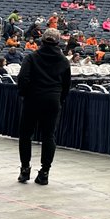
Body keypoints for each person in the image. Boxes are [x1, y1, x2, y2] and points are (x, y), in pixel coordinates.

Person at [16, 28, 72, 185]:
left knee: (26, 135)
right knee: (49, 136)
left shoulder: (32, 57)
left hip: (32, 99)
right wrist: (59, 100)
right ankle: (44, 172)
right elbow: (67, 85)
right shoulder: (63, 61)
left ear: (42, 40)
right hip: (52, 100)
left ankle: (25, 169)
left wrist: (24, 94)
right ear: (58, 42)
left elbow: (23, 79)